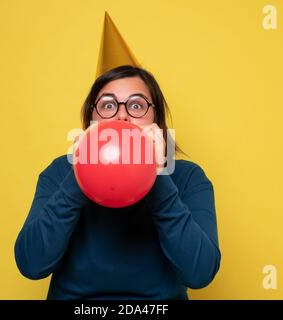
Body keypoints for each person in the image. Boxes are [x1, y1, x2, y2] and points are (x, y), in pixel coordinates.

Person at [14, 65, 221, 300]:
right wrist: (80, 174)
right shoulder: (60, 172)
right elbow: (31, 265)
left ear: (157, 120)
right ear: (90, 121)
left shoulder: (187, 177)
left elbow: (200, 274)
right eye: (108, 105)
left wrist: (159, 176)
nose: (122, 116)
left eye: (136, 105)